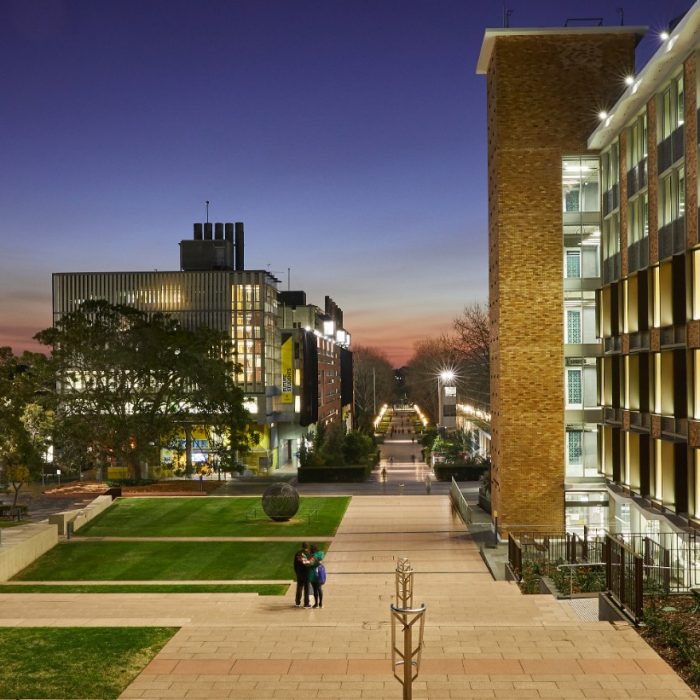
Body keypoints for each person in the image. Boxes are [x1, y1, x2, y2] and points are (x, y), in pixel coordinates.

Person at [307, 543, 325, 608]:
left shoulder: (312, 556)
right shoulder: (320, 554)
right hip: (320, 574)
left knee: (315, 589)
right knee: (319, 588)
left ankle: (316, 603)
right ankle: (321, 603)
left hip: (313, 574)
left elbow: (310, 564)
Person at [294, 542, 311, 608]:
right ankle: (306, 604)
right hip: (306, 575)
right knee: (306, 589)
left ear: (302, 546)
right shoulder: (309, 554)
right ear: (308, 547)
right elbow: (309, 565)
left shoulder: (297, 554)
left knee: (299, 588)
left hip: (299, 574)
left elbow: (295, 564)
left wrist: (297, 572)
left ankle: (297, 603)